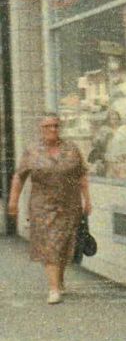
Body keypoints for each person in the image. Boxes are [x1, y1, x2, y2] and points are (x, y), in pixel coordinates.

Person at [7, 113, 92, 304]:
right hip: (42, 205)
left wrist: (88, 200)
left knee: (63, 245)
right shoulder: (33, 150)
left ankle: (59, 280)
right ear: (41, 129)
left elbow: (82, 174)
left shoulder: (71, 148)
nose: (52, 129)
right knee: (49, 244)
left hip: (69, 204)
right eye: (48, 126)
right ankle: (54, 288)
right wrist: (13, 202)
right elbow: (19, 176)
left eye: (55, 126)